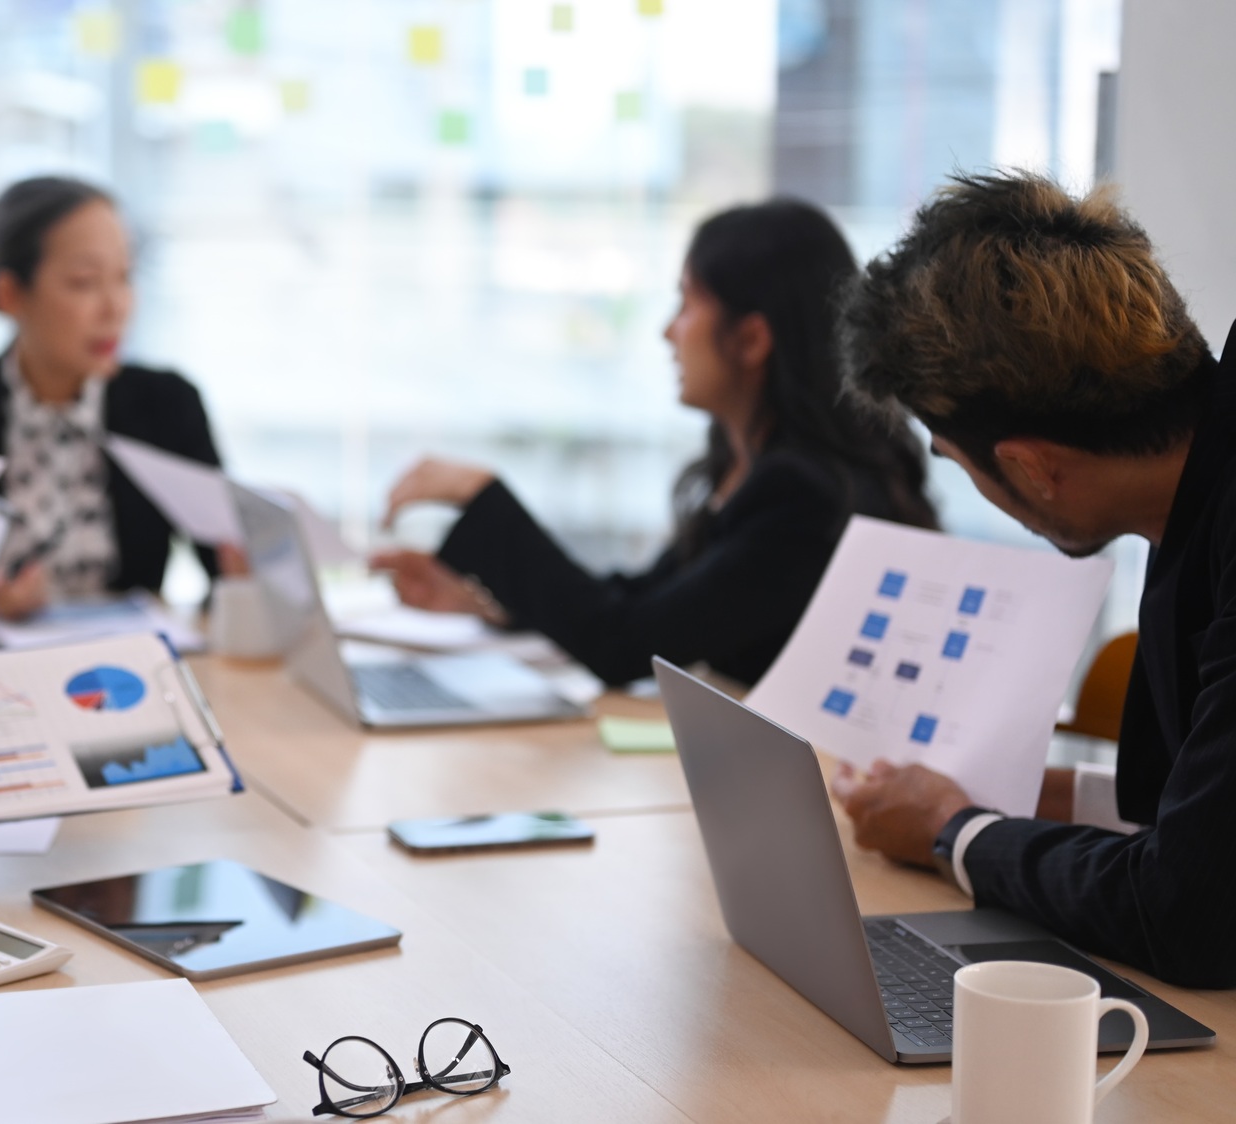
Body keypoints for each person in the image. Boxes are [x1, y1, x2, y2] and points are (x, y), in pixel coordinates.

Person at [831, 172, 1236, 988]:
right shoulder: (1198, 482)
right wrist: (1034, 797)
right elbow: (1200, 824)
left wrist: (954, 830)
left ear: (1032, 467)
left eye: (958, 461)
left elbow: (1190, 911)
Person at [374, 200, 939, 686]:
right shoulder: (746, 469)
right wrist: (485, 603)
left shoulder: (803, 498)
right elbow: (642, 602)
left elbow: (625, 643)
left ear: (751, 338)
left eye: (687, 304)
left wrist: (480, 493)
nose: (669, 331)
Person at [0, 175, 238, 620]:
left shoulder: (168, 403)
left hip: (128, 670)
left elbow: (227, 572)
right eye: (84, 281)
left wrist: (254, 570)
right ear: (9, 294)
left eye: (125, 277)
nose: (115, 307)